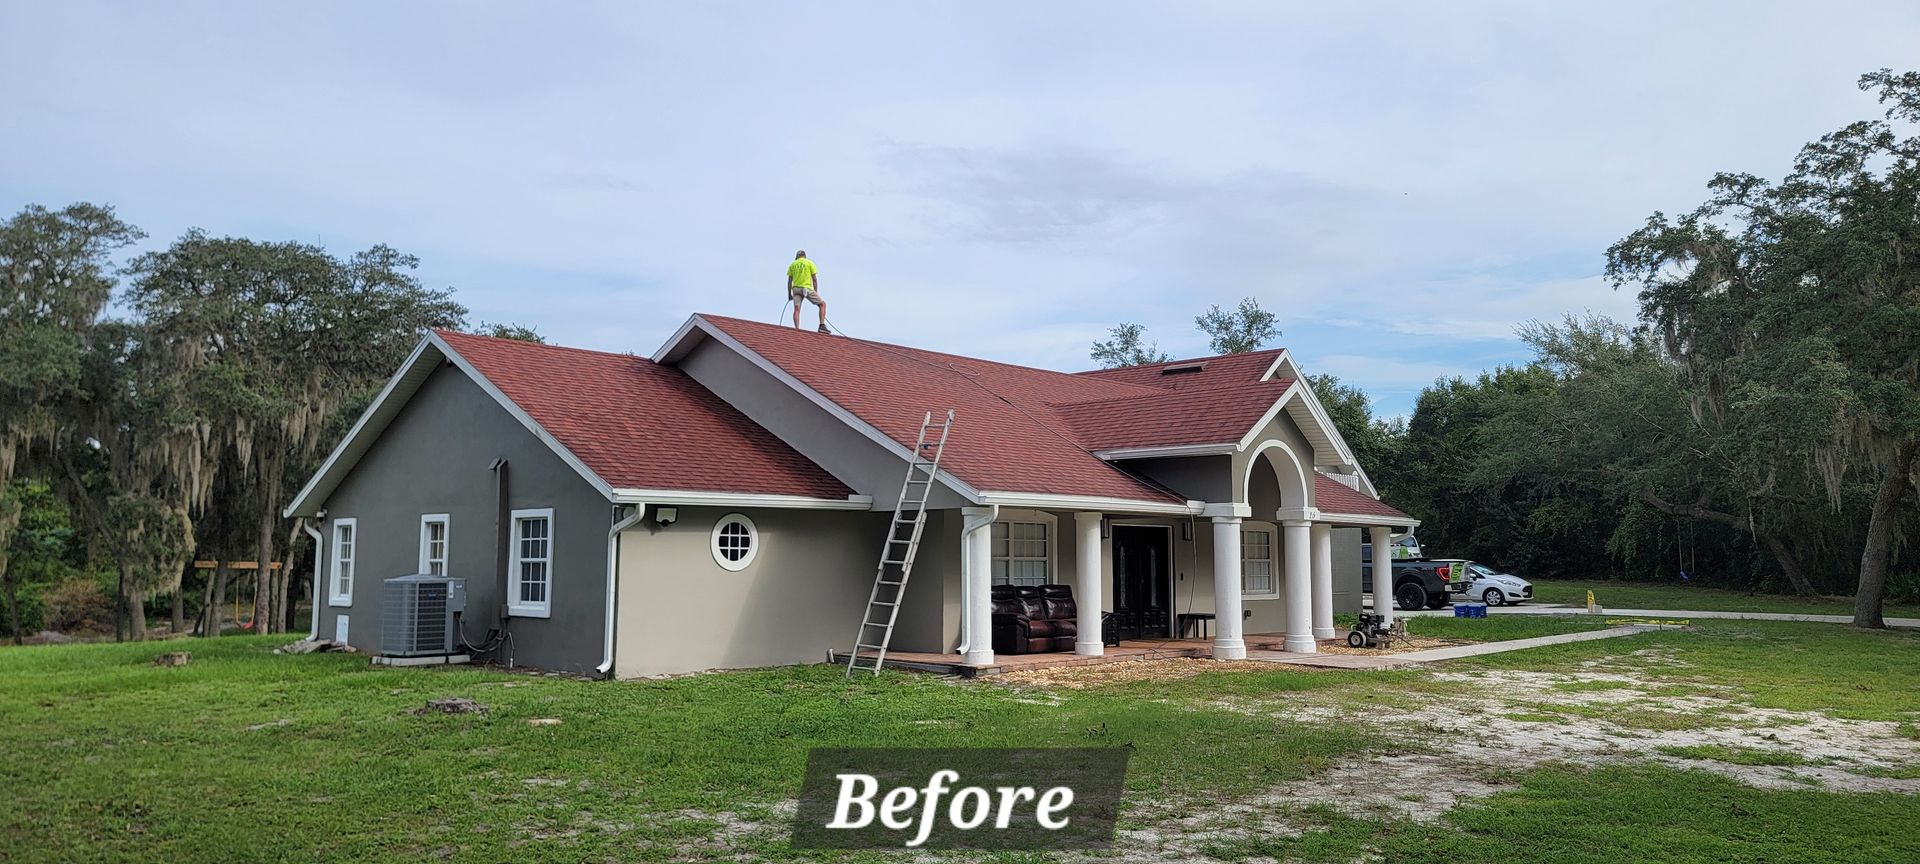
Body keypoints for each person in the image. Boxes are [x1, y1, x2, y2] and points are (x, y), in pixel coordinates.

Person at [786, 250, 827, 332]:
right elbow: (814, 279)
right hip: (806, 288)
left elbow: (789, 281)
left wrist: (789, 294)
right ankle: (822, 326)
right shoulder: (809, 263)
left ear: (797, 256)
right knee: (822, 304)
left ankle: (797, 329)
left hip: (796, 289)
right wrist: (815, 291)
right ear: (804, 256)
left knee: (796, 309)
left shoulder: (792, 265)